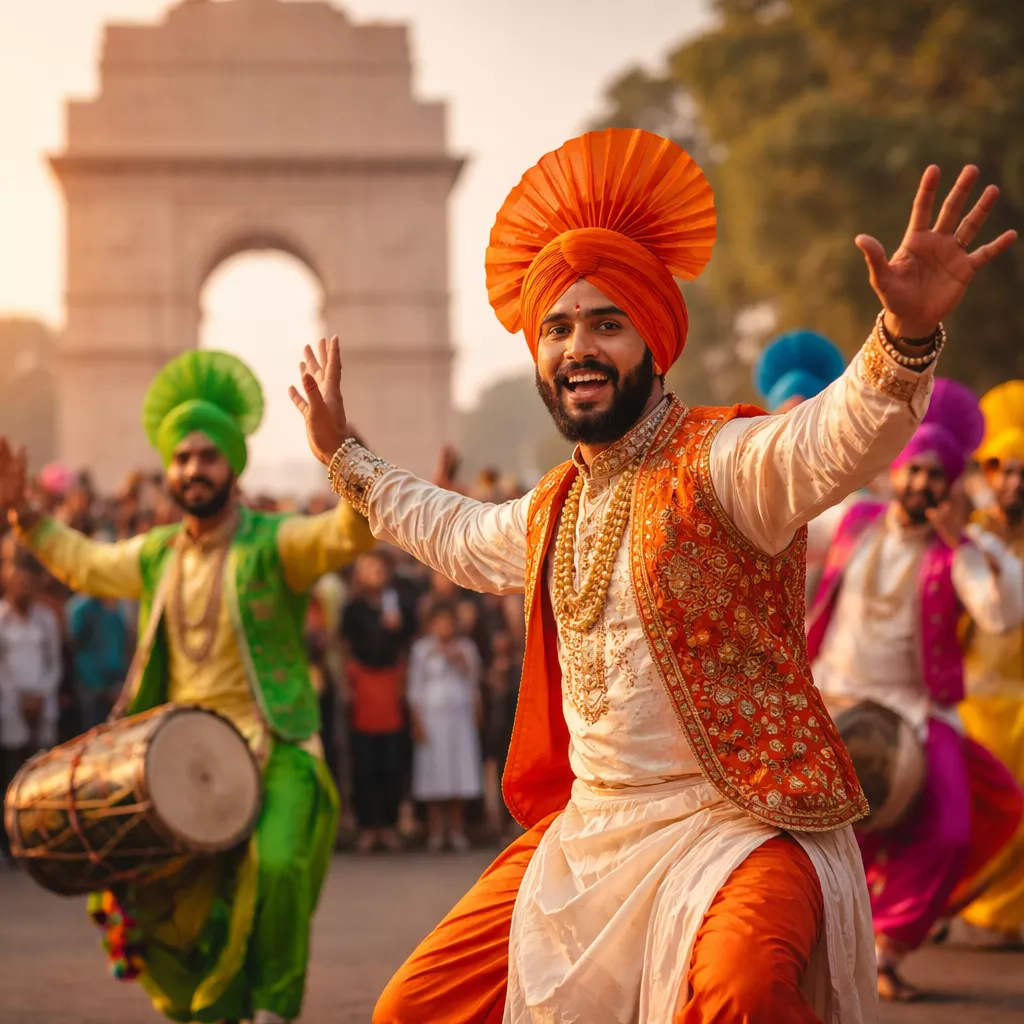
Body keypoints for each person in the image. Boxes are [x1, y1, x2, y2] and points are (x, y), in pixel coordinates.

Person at [290, 128, 1017, 1023]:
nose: (577, 348)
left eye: (606, 323)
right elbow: (457, 531)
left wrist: (903, 335)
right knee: (412, 1009)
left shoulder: (726, 460)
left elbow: (829, 439)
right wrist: (346, 457)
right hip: (592, 830)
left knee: (742, 994)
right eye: (556, 329)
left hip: (741, 824)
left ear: (655, 340)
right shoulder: (555, 505)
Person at [0, 349, 374, 1024]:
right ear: (167, 470)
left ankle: (273, 1007)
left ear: (232, 466)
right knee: (162, 894)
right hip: (176, 750)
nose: (192, 469)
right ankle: (214, 1010)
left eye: (206, 456)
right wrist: (24, 516)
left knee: (282, 863)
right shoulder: (155, 554)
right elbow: (86, 563)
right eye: (181, 458)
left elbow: (348, 534)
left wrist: (349, 453)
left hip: (276, 742)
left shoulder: (273, 544)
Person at [808, 377, 1024, 1000]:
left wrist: (965, 540)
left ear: (951, 487)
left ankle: (888, 947)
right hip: (832, 697)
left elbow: (1002, 613)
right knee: (810, 833)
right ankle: (806, 942)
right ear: (897, 471)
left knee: (956, 826)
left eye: (938, 476)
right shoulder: (855, 521)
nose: (924, 484)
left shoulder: (958, 550)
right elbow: (785, 521)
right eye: (916, 470)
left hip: (916, 709)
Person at [954, 380, 1024, 946]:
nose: (1014, 481)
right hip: (972, 699)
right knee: (964, 814)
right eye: (1004, 468)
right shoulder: (971, 538)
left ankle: (1006, 917)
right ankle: (942, 907)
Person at [340, 550, 417, 853]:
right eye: (367, 567)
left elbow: (410, 641)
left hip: (392, 683)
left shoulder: (399, 603)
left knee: (392, 759)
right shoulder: (353, 608)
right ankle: (367, 828)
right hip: (362, 684)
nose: (374, 572)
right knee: (365, 761)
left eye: (379, 567)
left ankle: (389, 825)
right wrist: (348, 683)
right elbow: (344, 645)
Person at [0, 551, 62, 858]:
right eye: (18, 582)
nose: (23, 589)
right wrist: (20, 699)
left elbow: (55, 662)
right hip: (10, 705)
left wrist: (40, 695)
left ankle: (39, 841)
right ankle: (9, 842)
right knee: (11, 774)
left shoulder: (45, 618)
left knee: (40, 775)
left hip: (43, 700)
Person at [408, 601, 484, 852]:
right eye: (439, 622)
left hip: (459, 718)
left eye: (449, 622)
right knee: (434, 774)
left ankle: (457, 830)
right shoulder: (422, 650)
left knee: (459, 772)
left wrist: (458, 659)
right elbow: (414, 688)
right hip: (432, 719)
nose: (444, 627)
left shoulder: (466, 648)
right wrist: (417, 720)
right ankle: (436, 832)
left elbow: (474, 682)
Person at [65, 590, 132, 730]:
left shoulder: (121, 605)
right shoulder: (81, 608)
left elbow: (125, 645)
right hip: (92, 687)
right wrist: (101, 688)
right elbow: (74, 649)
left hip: (118, 686)